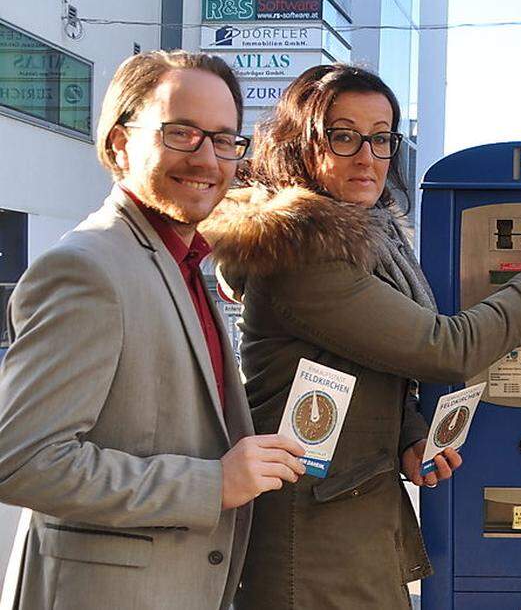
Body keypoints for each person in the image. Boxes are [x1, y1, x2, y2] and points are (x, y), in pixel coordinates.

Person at [199, 63, 521, 609]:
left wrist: (409, 432)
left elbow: (363, 362)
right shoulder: (304, 255)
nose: (366, 156)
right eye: (343, 137)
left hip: (347, 511)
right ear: (299, 144)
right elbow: (445, 347)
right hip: (311, 536)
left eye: (381, 138)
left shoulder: (369, 238)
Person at [0, 51, 306, 610]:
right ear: (120, 144)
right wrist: (212, 485)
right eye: (181, 133)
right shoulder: (88, 268)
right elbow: (21, 462)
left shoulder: (184, 262)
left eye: (223, 139)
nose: (208, 159)